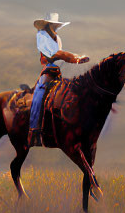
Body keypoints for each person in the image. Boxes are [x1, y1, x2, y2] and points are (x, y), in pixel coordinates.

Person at [29, 12, 88, 146]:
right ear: (48, 25)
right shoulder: (41, 36)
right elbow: (54, 53)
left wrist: (74, 58)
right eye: (53, 25)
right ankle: (34, 130)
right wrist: (74, 58)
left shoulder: (57, 38)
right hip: (49, 69)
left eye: (56, 25)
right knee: (39, 93)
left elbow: (60, 53)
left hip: (58, 69)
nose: (55, 27)